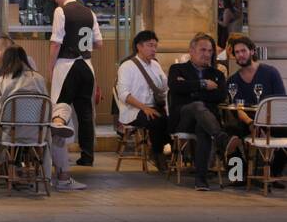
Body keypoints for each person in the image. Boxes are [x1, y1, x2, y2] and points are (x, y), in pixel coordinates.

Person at [0, 45, 84, 190]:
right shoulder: (38, 78)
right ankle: (57, 124)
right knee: (63, 108)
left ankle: (56, 124)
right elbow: (44, 105)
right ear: (24, 59)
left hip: (10, 133)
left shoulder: (1, 81)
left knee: (58, 116)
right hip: (37, 133)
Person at [46, 0, 103, 166]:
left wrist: (51, 66)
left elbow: (56, 43)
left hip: (67, 65)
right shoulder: (90, 12)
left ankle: (58, 155)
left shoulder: (60, 11)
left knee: (59, 108)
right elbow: (98, 43)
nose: (55, 1)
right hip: (87, 65)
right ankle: (87, 156)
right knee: (85, 113)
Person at [167, 33, 230, 191]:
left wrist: (190, 88)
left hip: (207, 121)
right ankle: (221, 137)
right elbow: (175, 87)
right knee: (196, 106)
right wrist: (202, 84)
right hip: (183, 119)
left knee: (203, 128)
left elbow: (220, 96)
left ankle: (201, 180)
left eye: (210, 51)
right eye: (203, 50)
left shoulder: (217, 74)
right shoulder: (177, 69)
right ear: (191, 50)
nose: (207, 54)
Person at [224, 33, 287, 181]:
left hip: (271, 120)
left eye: (243, 51)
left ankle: (274, 173)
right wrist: (252, 124)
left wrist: (264, 126)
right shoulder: (233, 80)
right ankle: (238, 176)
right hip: (247, 122)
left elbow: (280, 102)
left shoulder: (270, 72)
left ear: (252, 51)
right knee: (229, 133)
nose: (240, 55)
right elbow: (237, 108)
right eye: (237, 52)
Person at [115, 29, 170, 169]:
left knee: (174, 119)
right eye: (150, 45)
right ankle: (158, 153)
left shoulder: (156, 65)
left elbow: (164, 87)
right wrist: (144, 107)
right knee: (157, 120)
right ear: (139, 46)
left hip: (154, 106)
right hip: (133, 109)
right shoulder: (127, 66)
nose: (153, 49)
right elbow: (123, 94)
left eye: (155, 46)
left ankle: (167, 151)